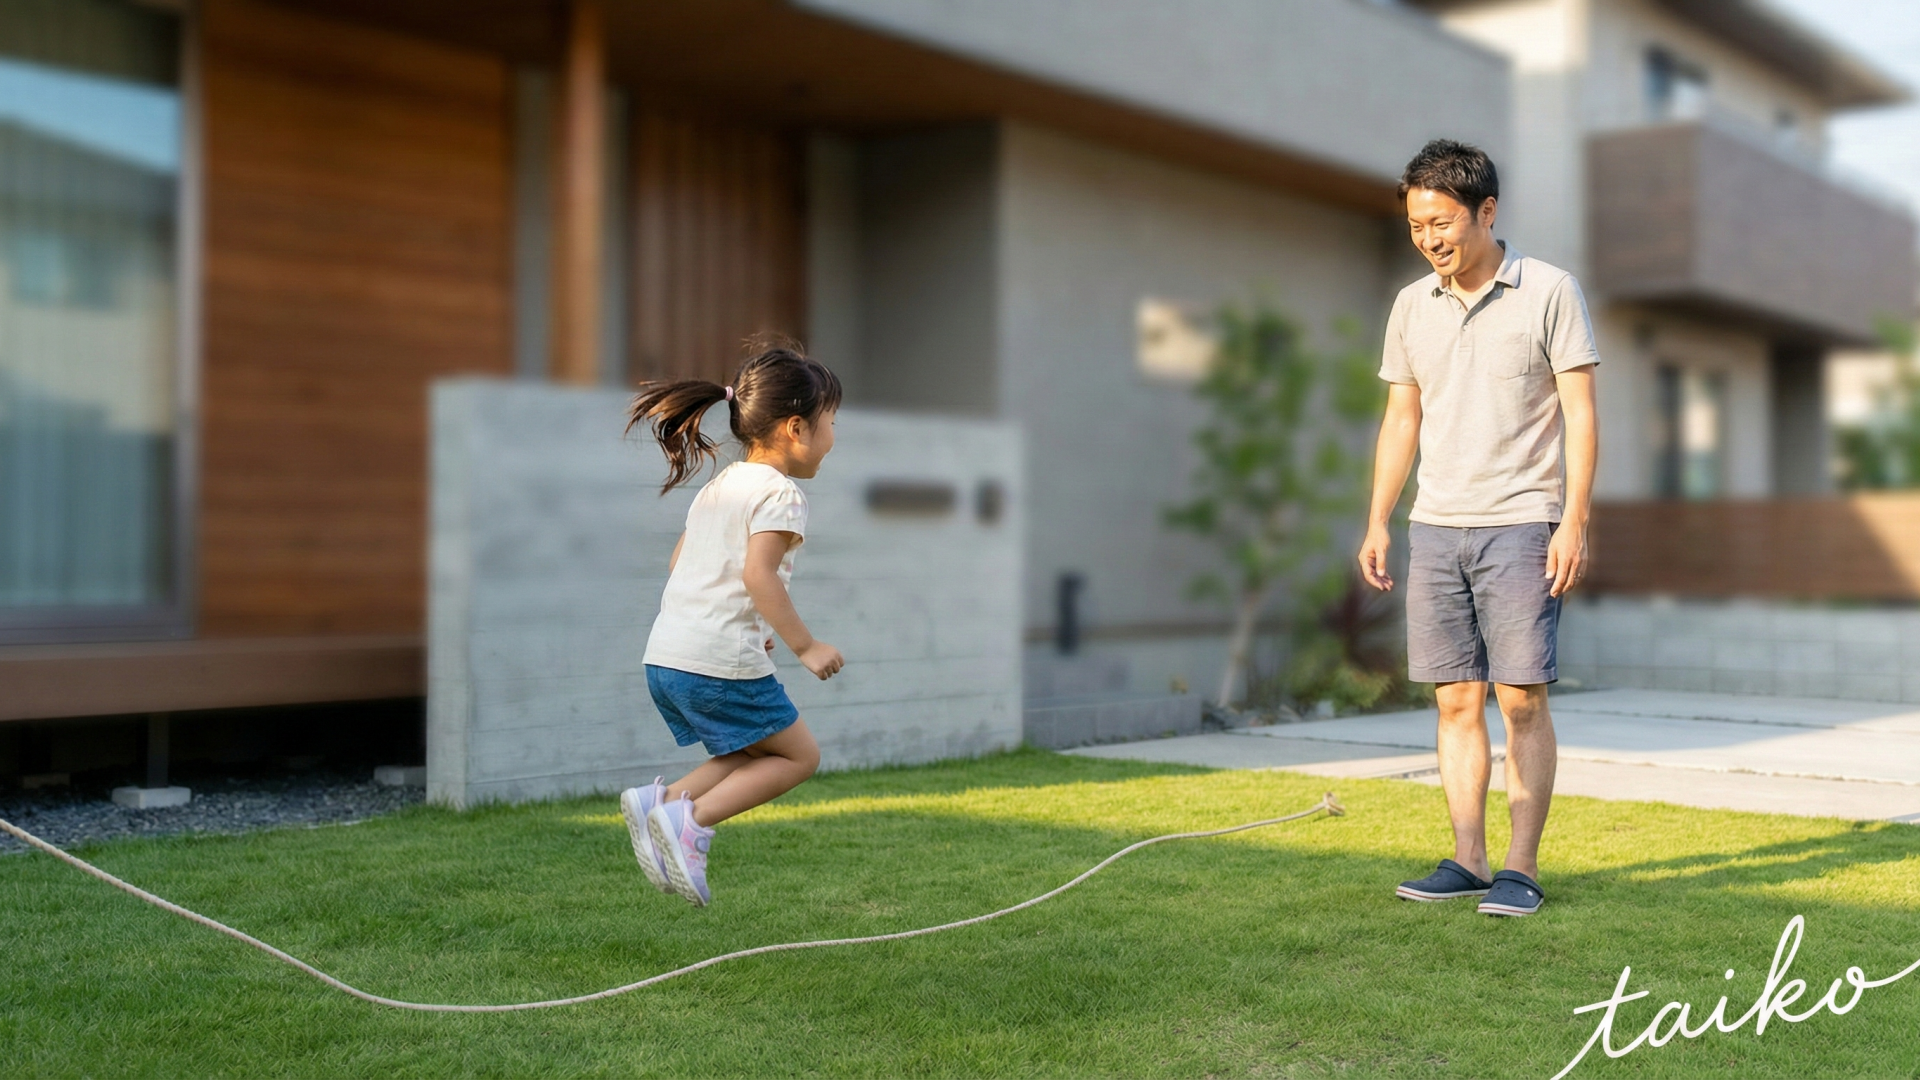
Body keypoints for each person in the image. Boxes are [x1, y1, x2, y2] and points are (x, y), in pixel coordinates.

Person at [1357, 139, 1599, 918]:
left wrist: (1574, 522)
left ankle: (1520, 870)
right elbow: (1402, 417)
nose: (1429, 238)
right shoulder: (1409, 306)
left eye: (1442, 221)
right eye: (1416, 224)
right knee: (1454, 700)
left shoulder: (1550, 290)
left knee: (1520, 697)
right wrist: (1378, 519)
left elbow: (1580, 414)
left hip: (1522, 521)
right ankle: (1467, 858)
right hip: (1436, 527)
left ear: (1485, 211)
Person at [618, 342, 845, 907]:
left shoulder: (719, 487)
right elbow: (758, 575)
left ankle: (662, 801)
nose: (835, 435)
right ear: (797, 428)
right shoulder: (782, 494)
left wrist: (746, 623)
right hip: (717, 662)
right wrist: (806, 646)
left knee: (748, 751)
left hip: (667, 657)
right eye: (832, 422)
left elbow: (682, 565)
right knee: (798, 757)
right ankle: (688, 821)